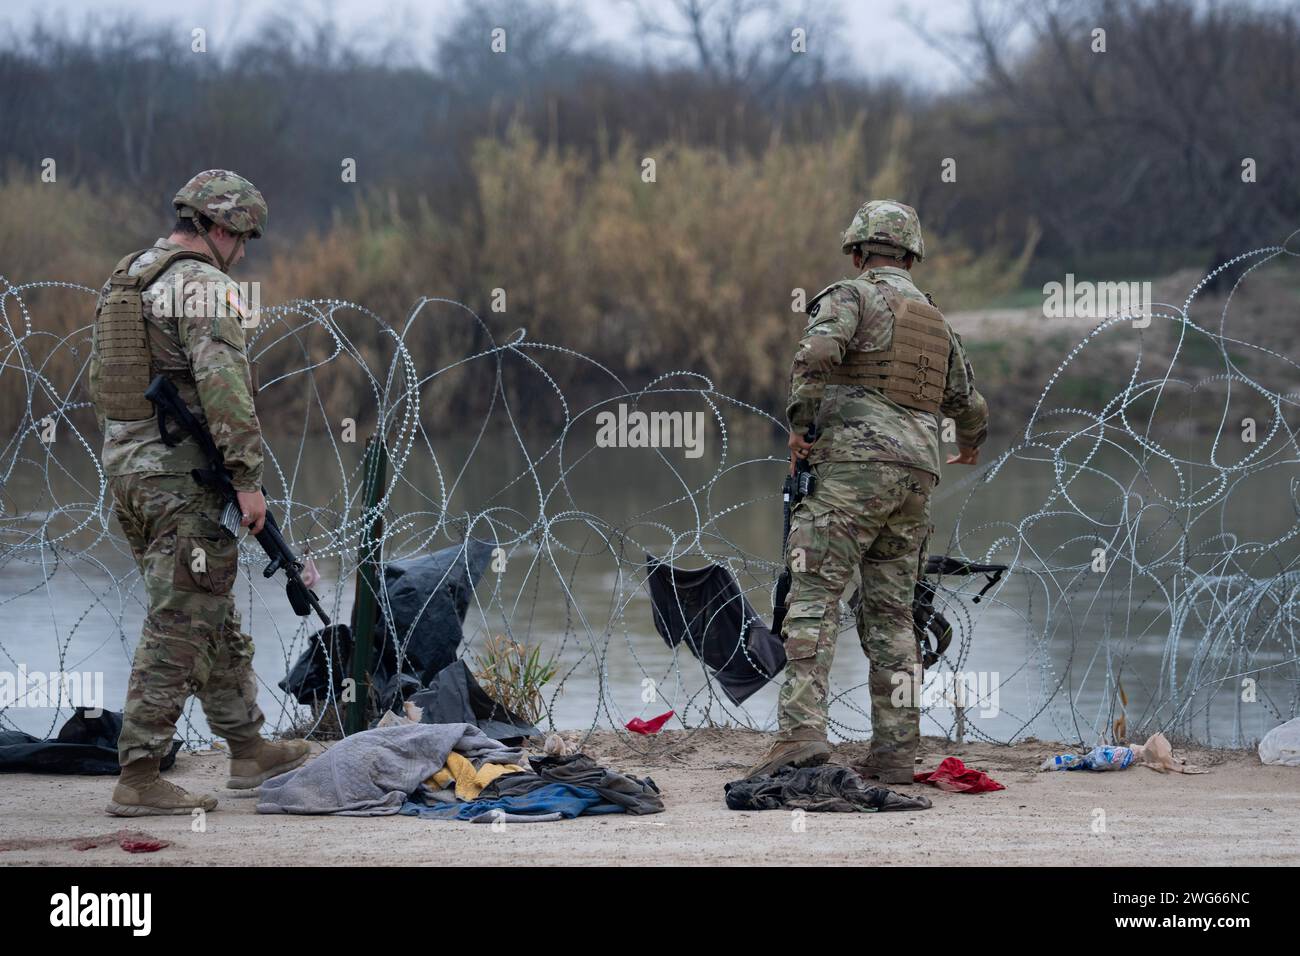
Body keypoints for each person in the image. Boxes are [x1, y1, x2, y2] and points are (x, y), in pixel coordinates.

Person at [88, 169, 311, 816]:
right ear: (217, 229)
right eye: (241, 238)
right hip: (178, 477)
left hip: (129, 466)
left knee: (205, 603)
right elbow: (224, 388)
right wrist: (247, 481)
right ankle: (138, 773)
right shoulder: (203, 285)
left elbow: (109, 381)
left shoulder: (130, 275)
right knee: (180, 620)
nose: (243, 253)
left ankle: (246, 749)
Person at [749, 199, 988, 782]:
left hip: (853, 468)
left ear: (857, 253)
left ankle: (803, 737)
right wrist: (972, 445)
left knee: (813, 598)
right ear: (910, 256)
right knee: (892, 617)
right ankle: (895, 753)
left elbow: (818, 353)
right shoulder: (935, 321)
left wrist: (801, 425)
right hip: (915, 476)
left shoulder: (850, 296)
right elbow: (969, 404)